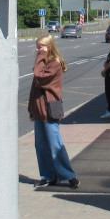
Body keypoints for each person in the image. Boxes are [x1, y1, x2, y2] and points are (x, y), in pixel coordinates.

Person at [28, 35, 79, 189]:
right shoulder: (44, 63)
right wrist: (31, 108)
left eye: (40, 47)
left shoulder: (54, 64)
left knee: (55, 145)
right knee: (41, 146)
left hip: (49, 110)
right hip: (39, 111)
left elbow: (39, 76)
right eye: (37, 47)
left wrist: (41, 56)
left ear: (49, 47)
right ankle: (47, 176)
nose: (38, 50)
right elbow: (34, 89)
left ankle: (69, 176)